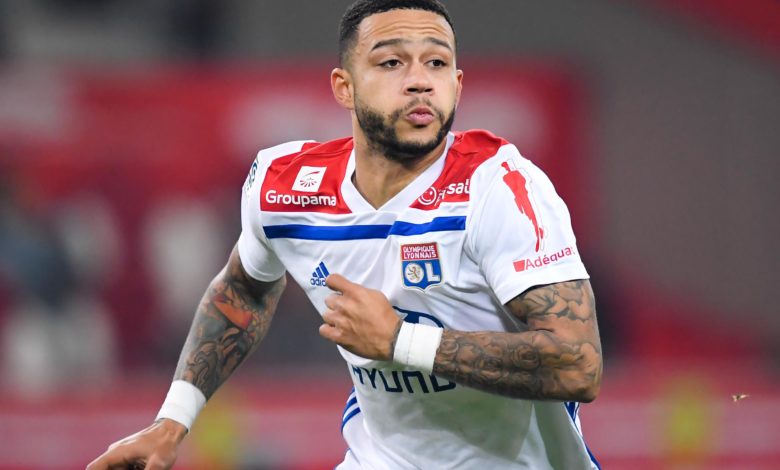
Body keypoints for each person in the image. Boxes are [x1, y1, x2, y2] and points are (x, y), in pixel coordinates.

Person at [87, 0, 603, 468]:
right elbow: (243, 291)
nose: (420, 81)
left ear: (458, 85)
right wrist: (172, 421)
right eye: (392, 62)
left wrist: (400, 340)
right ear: (344, 87)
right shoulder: (283, 187)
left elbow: (579, 366)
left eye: (437, 63)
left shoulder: (501, 188)